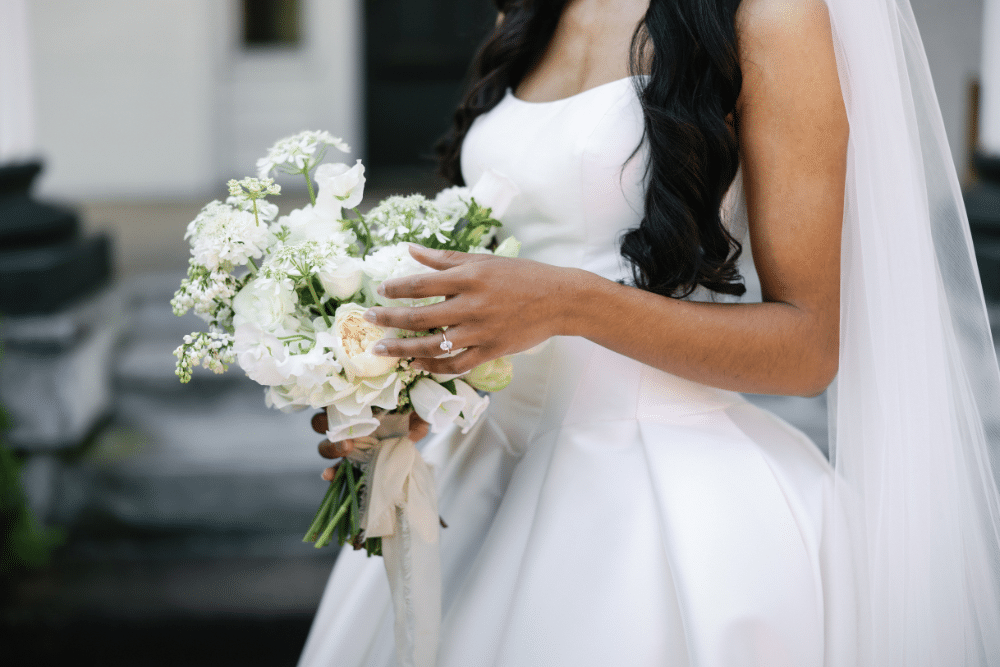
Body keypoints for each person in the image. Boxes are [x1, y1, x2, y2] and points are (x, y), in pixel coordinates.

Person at [299, 0, 1000, 665]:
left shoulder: (771, 17)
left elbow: (808, 349)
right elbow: (502, 261)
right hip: (478, 467)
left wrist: (573, 304)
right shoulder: (530, 9)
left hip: (661, 492)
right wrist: (407, 381)